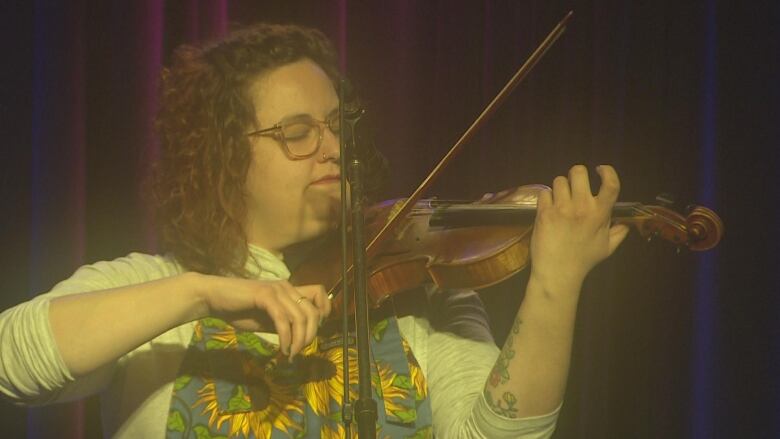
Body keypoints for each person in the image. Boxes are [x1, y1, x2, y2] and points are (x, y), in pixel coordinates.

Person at [0, 23, 629, 438]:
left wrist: (556, 279)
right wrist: (203, 294)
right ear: (225, 158)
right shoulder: (158, 287)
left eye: (337, 125)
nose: (333, 149)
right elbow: (12, 360)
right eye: (298, 133)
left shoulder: (414, 293)